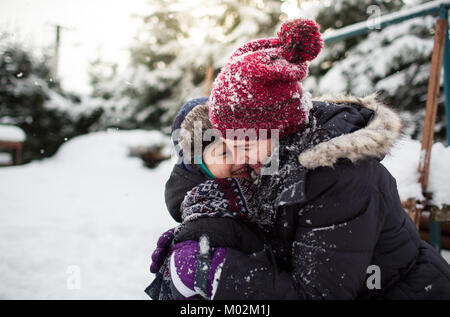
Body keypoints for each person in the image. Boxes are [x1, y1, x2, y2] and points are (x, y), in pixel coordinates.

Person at [158, 17, 450, 299]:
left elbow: (318, 294)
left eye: (244, 142)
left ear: (279, 130)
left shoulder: (339, 177)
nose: (237, 155)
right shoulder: (269, 155)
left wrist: (217, 273)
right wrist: (204, 234)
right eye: (228, 142)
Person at [146, 99, 265, 300]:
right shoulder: (207, 230)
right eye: (224, 151)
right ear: (197, 163)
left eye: (242, 146)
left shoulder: (250, 202)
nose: (241, 158)